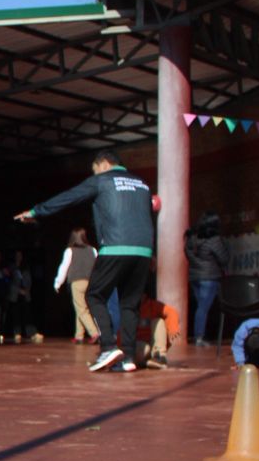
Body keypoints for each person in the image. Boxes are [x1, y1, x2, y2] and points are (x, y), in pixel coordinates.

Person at [14, 149, 155, 373]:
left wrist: (36, 211)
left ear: (104, 165)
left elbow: (69, 197)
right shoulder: (142, 183)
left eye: (95, 170)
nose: (95, 173)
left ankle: (108, 346)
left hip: (116, 246)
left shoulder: (102, 180)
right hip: (143, 251)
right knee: (130, 304)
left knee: (94, 294)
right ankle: (128, 357)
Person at [185, 212, 227, 344]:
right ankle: (199, 337)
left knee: (201, 307)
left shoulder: (191, 238)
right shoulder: (214, 240)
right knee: (203, 307)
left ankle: (199, 335)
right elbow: (224, 258)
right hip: (209, 276)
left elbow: (187, 254)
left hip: (194, 276)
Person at [53, 228, 100, 344]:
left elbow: (64, 267)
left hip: (77, 282)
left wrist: (58, 283)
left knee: (81, 308)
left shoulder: (70, 251)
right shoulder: (92, 250)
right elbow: (97, 267)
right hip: (90, 282)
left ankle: (95, 333)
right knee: (82, 307)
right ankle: (79, 335)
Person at [135, 297, 181, 369]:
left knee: (159, 321)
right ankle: (146, 362)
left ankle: (160, 356)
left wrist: (173, 327)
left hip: (153, 345)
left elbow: (171, 312)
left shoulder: (152, 305)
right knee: (144, 349)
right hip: (139, 347)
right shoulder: (127, 308)